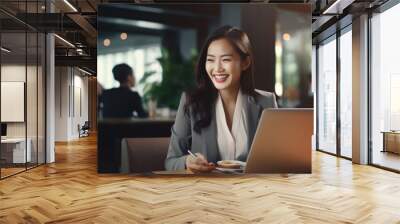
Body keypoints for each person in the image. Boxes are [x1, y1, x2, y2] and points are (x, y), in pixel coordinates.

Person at [165, 25, 277, 172]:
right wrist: (187, 162)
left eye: (226, 59)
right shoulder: (191, 102)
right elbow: (170, 161)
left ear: (245, 63)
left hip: (252, 189)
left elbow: (276, 158)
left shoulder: (266, 102)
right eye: (210, 60)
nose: (217, 68)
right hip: (206, 191)